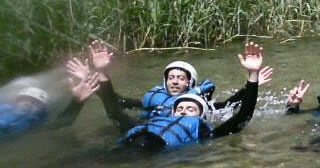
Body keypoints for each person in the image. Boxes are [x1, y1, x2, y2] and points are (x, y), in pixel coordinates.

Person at [92, 42, 264, 151]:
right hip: (128, 148)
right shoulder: (147, 122)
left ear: (201, 116)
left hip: (149, 157)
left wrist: (253, 76)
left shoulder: (204, 134)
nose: (182, 111)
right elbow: (115, 112)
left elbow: (243, 115)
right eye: (180, 108)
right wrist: (102, 72)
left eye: (190, 109)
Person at [86, 39, 272, 115]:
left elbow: (230, 104)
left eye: (180, 78)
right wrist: (95, 83)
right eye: (171, 77)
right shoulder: (153, 101)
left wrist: (252, 84)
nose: (174, 81)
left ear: (190, 83)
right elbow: (118, 103)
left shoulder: (198, 104)